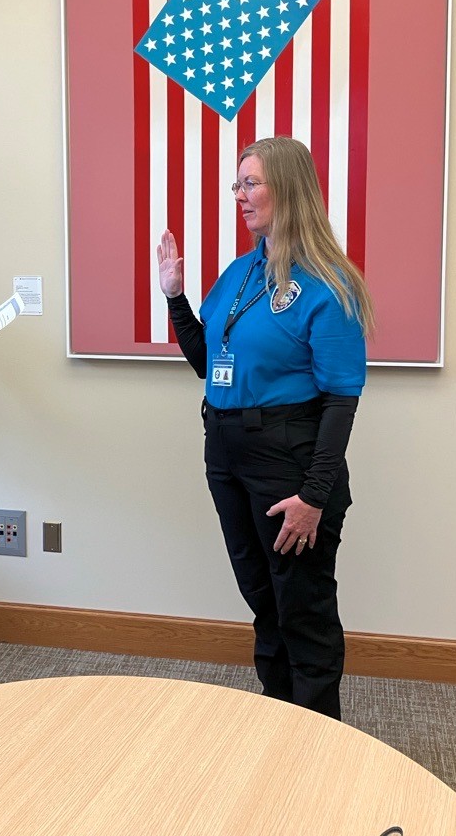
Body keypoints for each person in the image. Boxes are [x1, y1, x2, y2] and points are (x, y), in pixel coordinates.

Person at [158, 136, 374, 720]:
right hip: (227, 451)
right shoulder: (242, 271)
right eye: (237, 184)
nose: (240, 195)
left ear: (289, 188)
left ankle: (316, 743)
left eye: (250, 183)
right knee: (263, 601)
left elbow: (340, 401)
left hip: (290, 458)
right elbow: (209, 363)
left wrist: (314, 496)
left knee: (301, 610)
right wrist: (176, 298)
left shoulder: (329, 284)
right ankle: (278, 725)